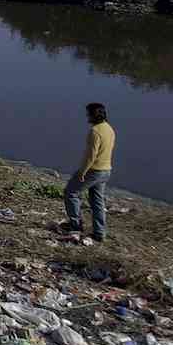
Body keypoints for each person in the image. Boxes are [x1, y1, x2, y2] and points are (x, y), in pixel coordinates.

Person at [60, 103, 116, 242]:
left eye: (88, 114)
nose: (87, 116)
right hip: (106, 170)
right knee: (97, 201)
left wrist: (82, 172)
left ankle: (76, 225)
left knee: (71, 192)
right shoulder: (109, 129)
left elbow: (91, 156)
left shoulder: (95, 131)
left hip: (94, 170)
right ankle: (99, 232)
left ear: (93, 115)